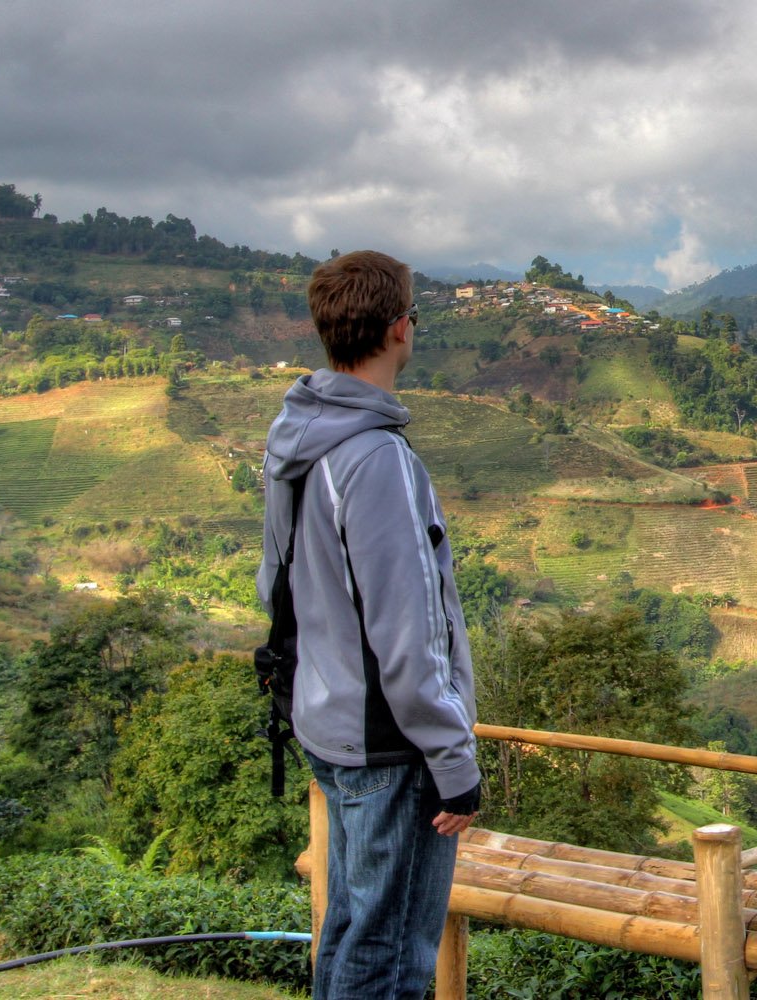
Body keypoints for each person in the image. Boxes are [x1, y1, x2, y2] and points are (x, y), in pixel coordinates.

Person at [258, 250, 480, 998]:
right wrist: (454, 764)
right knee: (387, 959)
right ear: (397, 330)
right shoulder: (375, 458)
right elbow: (408, 630)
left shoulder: (297, 438)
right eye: (413, 314)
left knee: (352, 933)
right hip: (392, 747)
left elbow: (276, 582)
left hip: (329, 724)